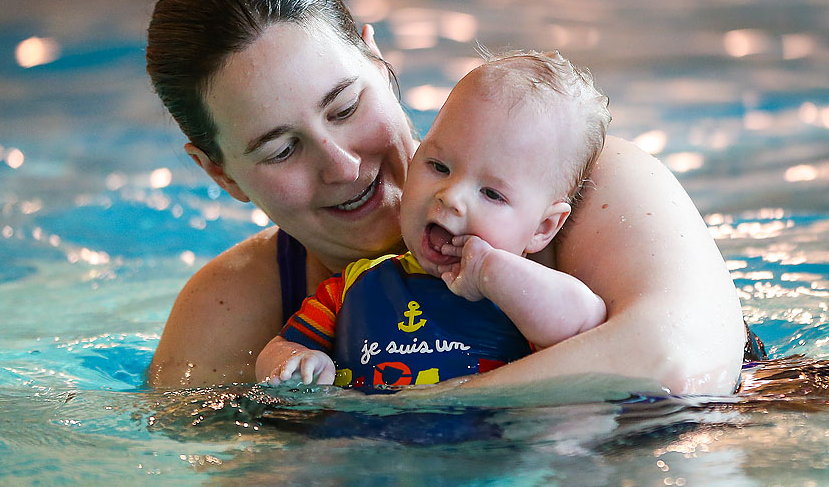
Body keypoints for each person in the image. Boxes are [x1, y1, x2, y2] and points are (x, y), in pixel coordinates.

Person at [145, 0, 759, 395]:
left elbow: (680, 366)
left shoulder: (591, 184)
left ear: (380, 62)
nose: (343, 164)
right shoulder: (232, 308)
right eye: (281, 149)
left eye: (347, 107)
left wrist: (404, 414)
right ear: (220, 175)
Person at [255, 52, 609, 388]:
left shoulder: (525, 297)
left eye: (492, 194)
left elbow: (586, 322)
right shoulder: (353, 285)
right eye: (439, 167)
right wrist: (295, 361)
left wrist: (492, 272)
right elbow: (279, 347)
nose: (451, 197)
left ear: (543, 227)